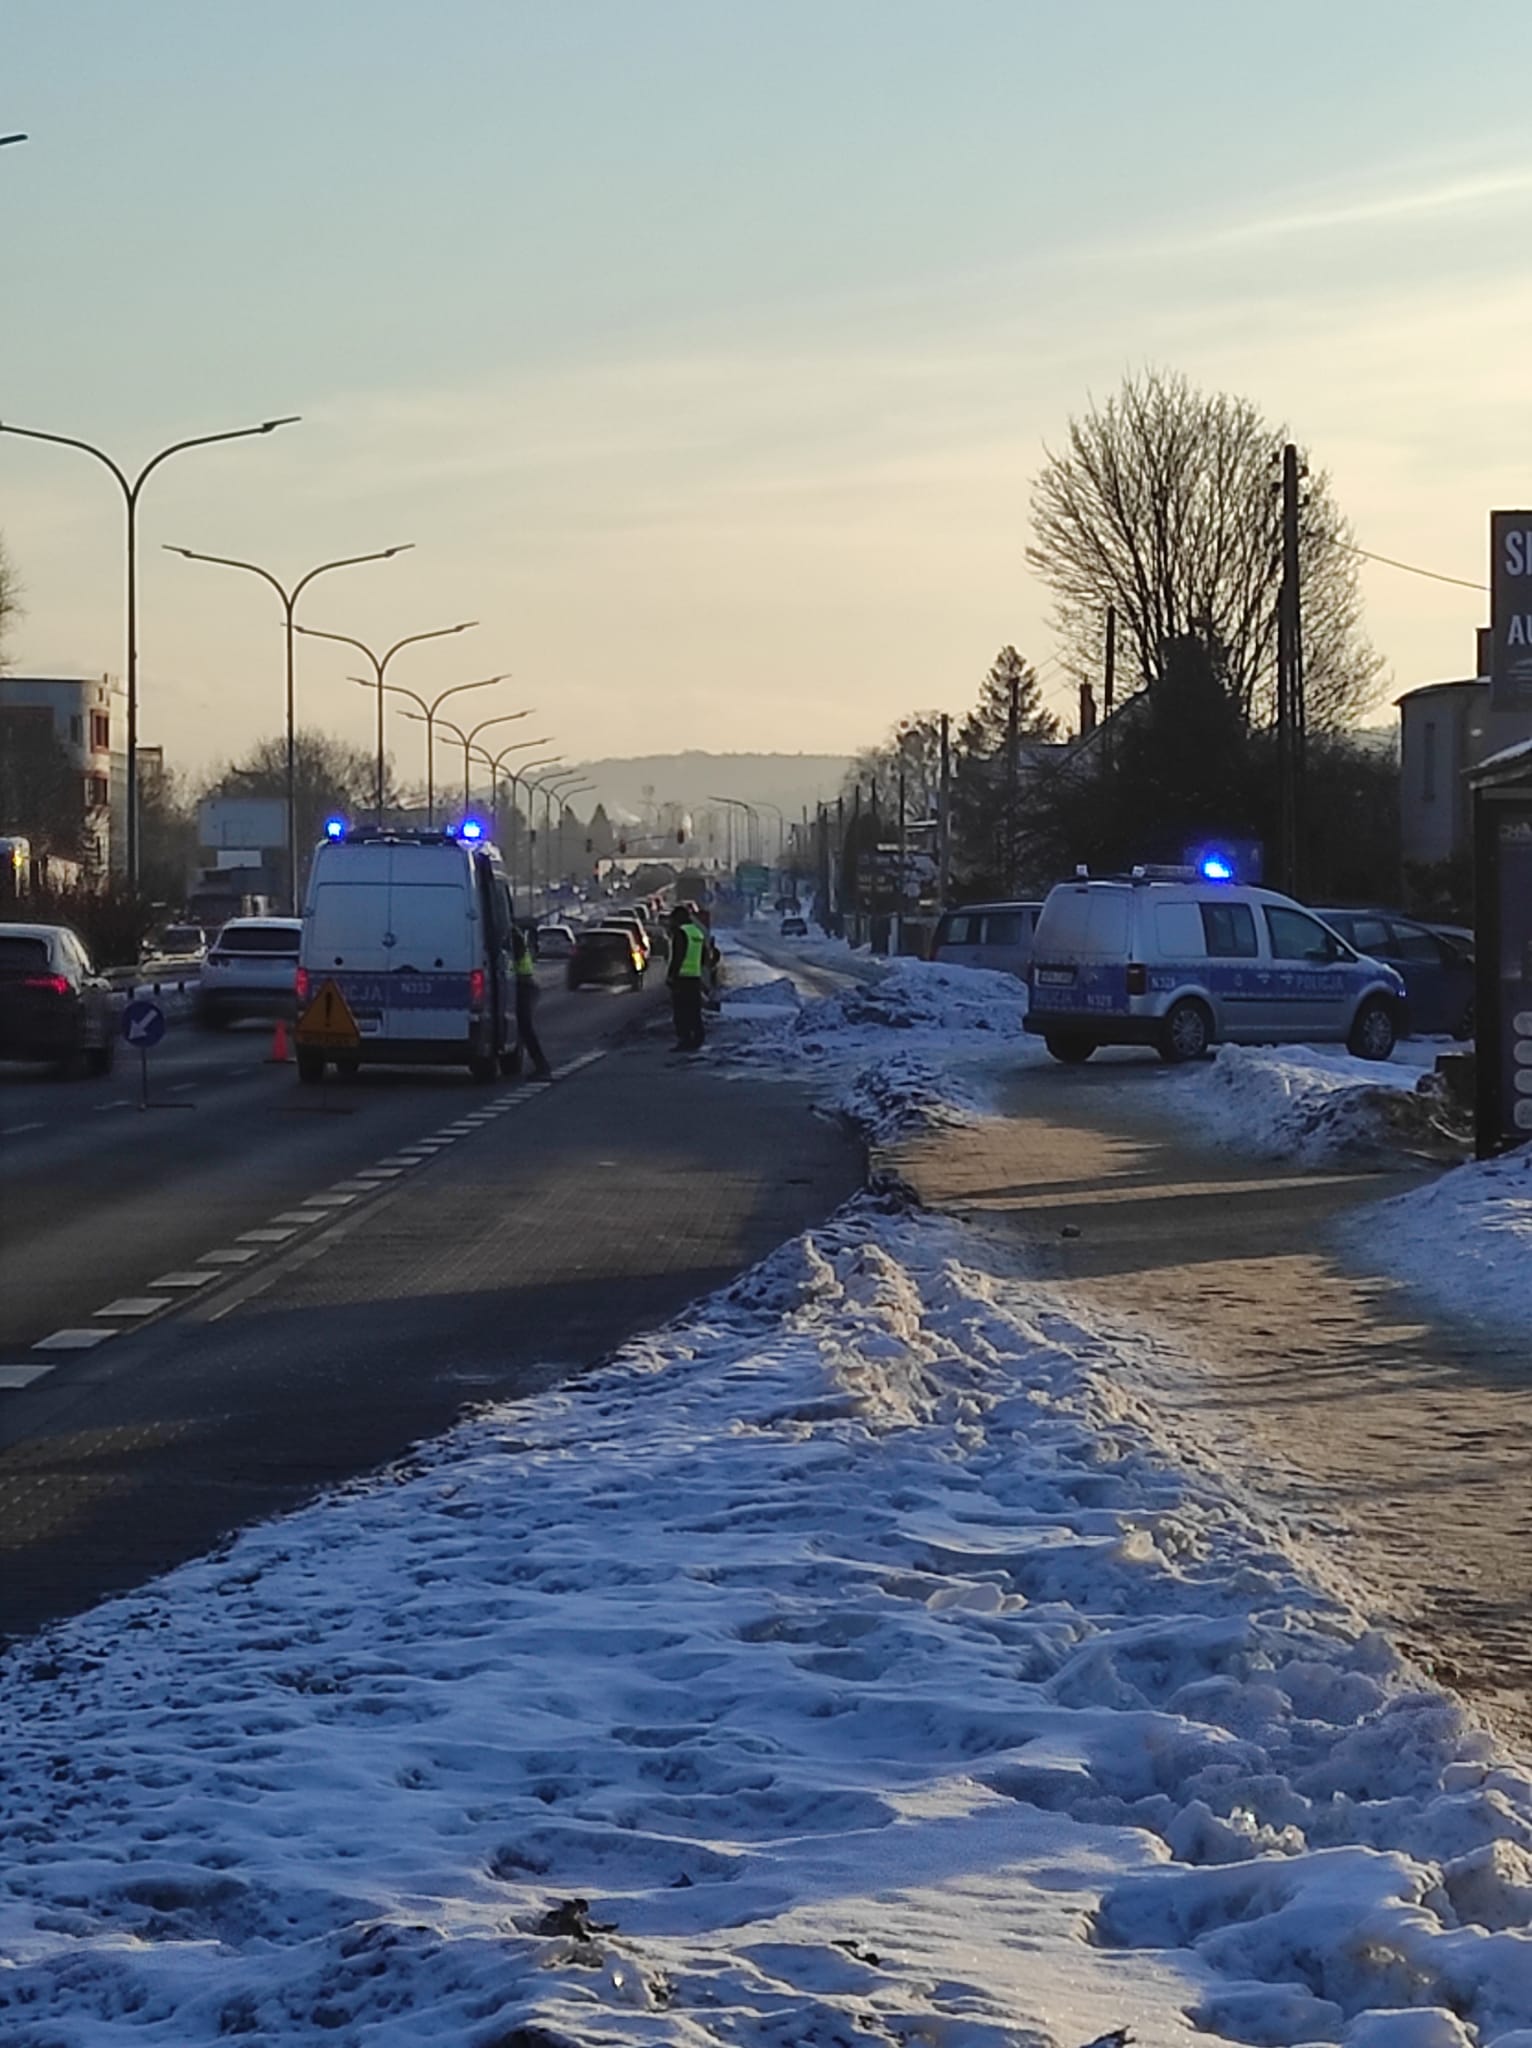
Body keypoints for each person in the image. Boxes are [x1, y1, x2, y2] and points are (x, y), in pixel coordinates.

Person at [512, 924, 554, 1079]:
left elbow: (512, 959)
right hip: (523, 984)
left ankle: (542, 1066)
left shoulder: (513, 937)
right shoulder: (515, 934)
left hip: (524, 985)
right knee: (522, 1026)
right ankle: (521, 1062)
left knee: (525, 1026)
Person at [668, 904, 708, 1052]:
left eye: (673, 919)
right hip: (695, 978)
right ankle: (697, 1038)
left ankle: (684, 1040)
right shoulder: (697, 932)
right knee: (694, 1011)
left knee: (681, 1012)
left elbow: (678, 956)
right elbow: (704, 957)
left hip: (682, 979)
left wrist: (671, 976)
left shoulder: (681, 932)